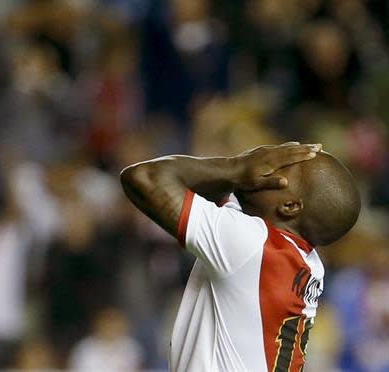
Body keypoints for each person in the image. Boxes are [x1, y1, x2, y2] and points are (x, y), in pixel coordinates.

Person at [119, 142, 360, 371]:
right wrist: (235, 173)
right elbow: (209, 188)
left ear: (289, 207)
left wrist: (237, 166)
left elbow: (143, 177)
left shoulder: (252, 244)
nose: (267, 162)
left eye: (282, 167)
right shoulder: (302, 259)